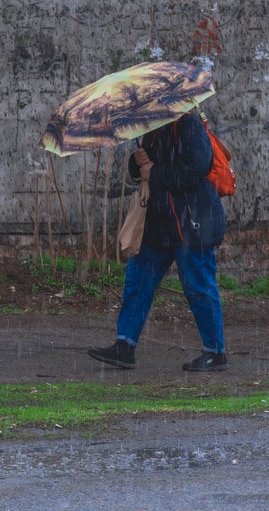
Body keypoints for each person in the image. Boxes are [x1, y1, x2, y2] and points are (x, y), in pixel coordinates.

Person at [87, 111, 228, 372]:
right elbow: (141, 172)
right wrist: (137, 163)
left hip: (192, 222)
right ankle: (124, 346)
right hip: (159, 223)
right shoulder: (152, 128)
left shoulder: (188, 124)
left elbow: (195, 168)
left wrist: (156, 171)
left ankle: (215, 352)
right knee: (138, 280)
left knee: (199, 287)